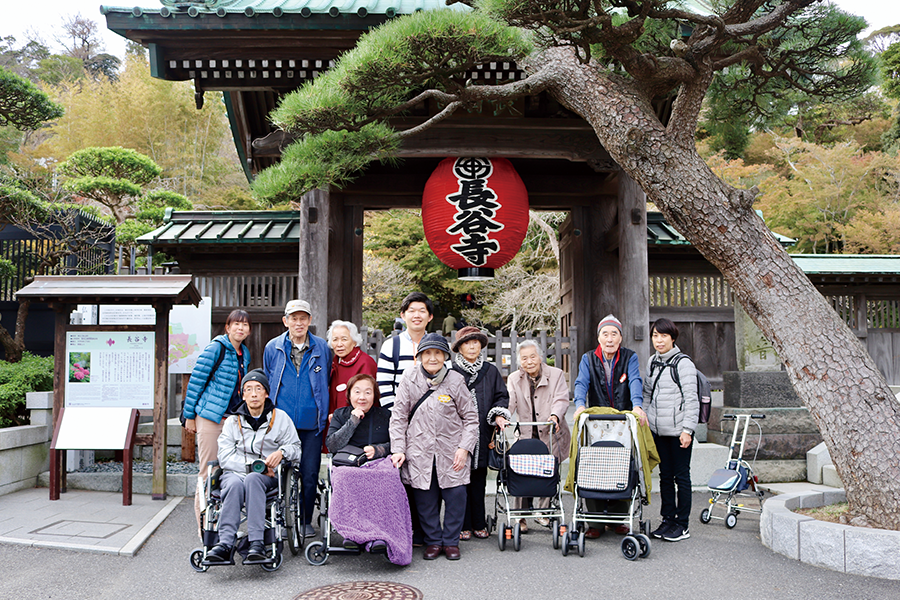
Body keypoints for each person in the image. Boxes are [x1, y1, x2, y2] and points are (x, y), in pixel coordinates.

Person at [389, 333, 479, 561]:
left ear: (445, 356)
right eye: (427, 353)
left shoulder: (456, 380)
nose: (432, 358)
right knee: (425, 500)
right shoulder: (409, 378)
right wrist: (398, 448)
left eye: (438, 353)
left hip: (452, 450)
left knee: (456, 497)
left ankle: (450, 541)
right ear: (419, 356)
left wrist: (464, 448)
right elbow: (398, 416)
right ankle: (433, 541)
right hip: (419, 449)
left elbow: (471, 418)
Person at [204, 369, 301, 563]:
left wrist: (281, 452)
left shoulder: (280, 418)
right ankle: (225, 543)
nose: (254, 394)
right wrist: (251, 466)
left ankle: (256, 542)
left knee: (253, 479)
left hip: (266, 477)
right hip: (235, 473)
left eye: (259, 389)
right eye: (249, 389)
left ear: (267, 393)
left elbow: (296, 448)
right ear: (243, 394)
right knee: (233, 483)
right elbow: (224, 456)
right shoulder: (232, 421)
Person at [572, 314, 646, 538]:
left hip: (623, 422)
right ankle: (594, 523)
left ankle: (618, 520)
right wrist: (579, 405)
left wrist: (637, 406)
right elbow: (581, 382)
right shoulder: (588, 358)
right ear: (599, 337)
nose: (610, 338)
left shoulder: (629, 357)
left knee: (622, 465)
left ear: (621, 338)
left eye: (614, 334)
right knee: (593, 467)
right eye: (605, 334)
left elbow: (634, 381)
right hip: (597, 423)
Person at [263, 299, 332, 538]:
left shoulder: (322, 347)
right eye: (294, 318)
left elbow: (326, 382)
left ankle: (304, 519)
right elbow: (269, 380)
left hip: (311, 422)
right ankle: (279, 518)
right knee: (279, 472)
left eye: (303, 318)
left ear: (310, 321)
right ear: (286, 321)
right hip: (281, 424)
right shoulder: (273, 347)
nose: (299, 323)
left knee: (310, 473)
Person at [182, 309, 252, 532]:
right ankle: (205, 529)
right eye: (236, 324)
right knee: (209, 471)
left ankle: (223, 524)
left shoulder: (245, 353)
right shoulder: (217, 348)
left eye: (244, 325)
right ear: (228, 327)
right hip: (210, 418)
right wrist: (189, 416)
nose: (240, 328)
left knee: (228, 470)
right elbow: (196, 382)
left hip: (232, 420)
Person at [450, 326, 510, 541]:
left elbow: (501, 396)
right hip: (458, 435)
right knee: (459, 480)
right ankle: (462, 524)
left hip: (483, 433)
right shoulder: (452, 372)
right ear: (460, 348)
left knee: (479, 479)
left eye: (476, 342)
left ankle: (479, 522)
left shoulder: (490, 370)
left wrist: (498, 415)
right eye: (467, 342)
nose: (472, 345)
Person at [504, 339, 571, 532]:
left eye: (533, 356)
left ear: (540, 357)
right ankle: (520, 516)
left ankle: (544, 512)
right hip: (526, 433)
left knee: (547, 469)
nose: (529, 361)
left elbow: (561, 399)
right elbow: (510, 402)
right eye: (524, 358)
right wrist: (504, 416)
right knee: (520, 471)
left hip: (551, 431)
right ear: (519, 361)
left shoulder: (556, 374)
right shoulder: (515, 378)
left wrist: (555, 415)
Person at [644, 318, 699, 543]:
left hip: (679, 432)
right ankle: (668, 519)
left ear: (673, 338)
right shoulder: (652, 362)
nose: (659, 340)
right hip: (658, 432)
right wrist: (645, 420)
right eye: (655, 336)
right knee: (665, 477)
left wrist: (688, 429)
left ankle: (682, 524)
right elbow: (647, 393)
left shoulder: (684, 364)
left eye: (663, 336)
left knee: (681, 477)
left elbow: (691, 399)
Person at [377, 292, 434, 409]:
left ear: (430, 317)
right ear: (403, 315)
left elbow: (447, 383)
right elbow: (383, 385)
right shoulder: (391, 345)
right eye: (411, 311)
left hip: (433, 417)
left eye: (422, 311)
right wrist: (396, 415)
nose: (417, 315)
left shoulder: (438, 347)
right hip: (399, 417)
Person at [326, 374, 391, 461]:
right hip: (346, 465)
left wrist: (379, 450)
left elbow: (398, 444)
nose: (362, 397)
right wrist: (353, 421)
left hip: (379, 465)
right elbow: (332, 446)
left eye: (367, 392)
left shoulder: (386, 415)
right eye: (357, 392)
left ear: (374, 395)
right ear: (349, 394)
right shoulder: (339, 414)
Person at [326, 320, 377, 418]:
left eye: (344, 339)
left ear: (354, 341)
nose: (339, 344)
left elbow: (366, 399)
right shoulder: (335, 362)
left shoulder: (365, 362)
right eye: (335, 339)